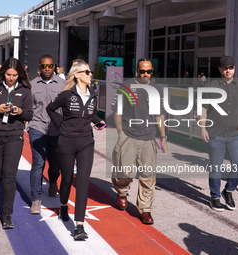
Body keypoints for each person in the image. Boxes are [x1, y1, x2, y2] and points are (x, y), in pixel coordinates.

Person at [46, 62, 105, 240]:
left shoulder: (93, 95)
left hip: (86, 141)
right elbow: (50, 109)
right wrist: (60, 126)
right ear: (77, 75)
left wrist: (98, 121)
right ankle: (63, 204)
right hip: (66, 141)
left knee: (82, 181)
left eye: (90, 71)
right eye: (86, 72)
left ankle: (79, 225)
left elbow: (91, 114)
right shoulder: (66, 95)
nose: (90, 74)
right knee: (66, 179)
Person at [111, 58, 167, 225]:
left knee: (148, 177)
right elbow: (117, 112)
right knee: (125, 173)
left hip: (149, 137)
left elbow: (160, 115)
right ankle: (122, 191)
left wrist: (163, 136)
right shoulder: (125, 86)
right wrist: (120, 133)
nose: (145, 74)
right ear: (137, 70)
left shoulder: (156, 89)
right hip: (128, 135)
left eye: (149, 71)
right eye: (142, 71)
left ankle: (145, 209)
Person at [199, 56, 238, 212]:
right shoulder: (211, 86)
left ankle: (228, 191)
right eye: (225, 68)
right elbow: (202, 109)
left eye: (230, 67)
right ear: (219, 69)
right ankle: (215, 197)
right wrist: (203, 128)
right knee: (216, 166)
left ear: (234, 68)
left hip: (236, 133)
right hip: (215, 133)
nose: (228, 70)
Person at [0, 57, 33, 229]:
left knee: (9, 176)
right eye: (8, 74)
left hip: (15, 135)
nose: (11, 78)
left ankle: (7, 215)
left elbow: (29, 115)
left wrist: (19, 111)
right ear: (3, 73)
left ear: (19, 75)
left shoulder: (25, 91)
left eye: (14, 75)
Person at [27, 54, 65, 214]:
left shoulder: (63, 84)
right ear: (40, 67)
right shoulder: (32, 85)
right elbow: (28, 108)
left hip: (56, 130)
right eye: (44, 66)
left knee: (55, 164)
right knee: (38, 163)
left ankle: (53, 181)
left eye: (50, 66)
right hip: (37, 128)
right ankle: (36, 199)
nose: (47, 69)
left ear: (54, 66)